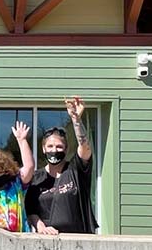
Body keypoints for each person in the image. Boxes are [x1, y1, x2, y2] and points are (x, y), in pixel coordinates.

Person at [25, 96, 98, 234]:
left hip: (80, 240)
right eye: (50, 146)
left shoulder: (76, 170)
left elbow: (84, 146)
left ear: (66, 149)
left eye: (59, 147)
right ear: (43, 149)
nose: (54, 150)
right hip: (47, 242)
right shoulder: (36, 178)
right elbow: (31, 210)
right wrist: (41, 227)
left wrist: (76, 119)